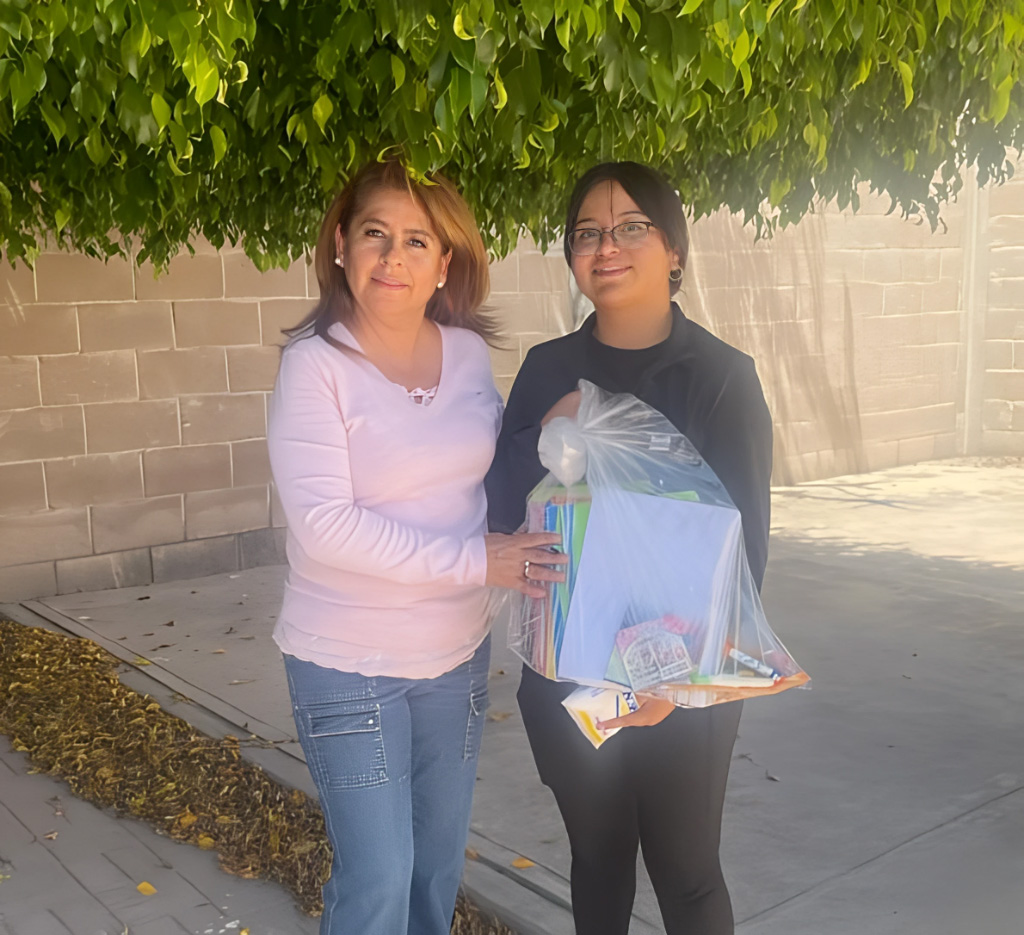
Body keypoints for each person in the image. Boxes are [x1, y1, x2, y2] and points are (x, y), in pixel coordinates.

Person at [267, 159, 565, 935]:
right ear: (340, 245)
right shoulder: (315, 366)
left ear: (444, 262)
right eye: (375, 234)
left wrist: (558, 431)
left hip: (455, 654)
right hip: (347, 660)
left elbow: (486, 471)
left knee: (434, 868)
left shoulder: (464, 352)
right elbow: (325, 525)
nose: (392, 257)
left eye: (416, 240)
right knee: (379, 878)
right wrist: (476, 560)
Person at [485, 161, 773, 935]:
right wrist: (553, 422)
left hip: (683, 674)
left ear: (674, 249)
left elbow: (744, 550)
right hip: (570, 667)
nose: (606, 246)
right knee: (599, 858)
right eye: (587, 232)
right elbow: (503, 506)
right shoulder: (549, 368)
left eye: (631, 227)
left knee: (687, 873)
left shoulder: (720, 378)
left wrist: (676, 678)